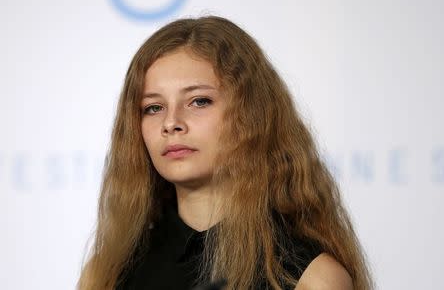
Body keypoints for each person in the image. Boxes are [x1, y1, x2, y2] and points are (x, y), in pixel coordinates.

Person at [77, 16, 373, 290]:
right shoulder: (106, 273)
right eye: (153, 107)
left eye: (199, 101)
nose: (171, 123)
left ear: (251, 115)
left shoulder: (312, 278)